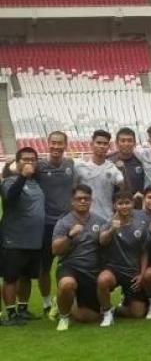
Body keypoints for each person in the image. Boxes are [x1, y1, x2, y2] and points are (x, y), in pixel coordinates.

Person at [51, 184, 106, 331]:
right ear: (72, 201)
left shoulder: (100, 221)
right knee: (67, 284)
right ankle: (63, 317)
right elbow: (55, 250)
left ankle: (64, 301)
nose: (83, 201)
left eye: (86, 199)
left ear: (91, 201)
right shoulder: (63, 222)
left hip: (91, 271)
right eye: (79, 198)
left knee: (88, 318)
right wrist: (69, 235)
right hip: (70, 267)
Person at [1, 147, 45, 325]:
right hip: (14, 239)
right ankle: (10, 314)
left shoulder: (36, 183)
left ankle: (23, 308)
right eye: (25, 159)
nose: (29, 162)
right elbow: (11, 198)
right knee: (11, 277)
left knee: (27, 277)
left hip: (34, 240)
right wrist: (22, 176)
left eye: (32, 159)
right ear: (17, 162)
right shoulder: (9, 181)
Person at [35, 131, 75, 315]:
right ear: (47, 144)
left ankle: (71, 299)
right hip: (46, 224)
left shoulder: (71, 164)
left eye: (60, 143)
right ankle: (45, 303)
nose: (57, 147)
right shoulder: (39, 166)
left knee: (70, 263)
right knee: (45, 265)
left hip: (67, 224)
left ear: (65, 145)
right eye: (53, 143)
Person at [97, 191, 149, 327]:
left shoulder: (140, 224)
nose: (124, 206)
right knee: (102, 280)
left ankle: (115, 309)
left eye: (127, 203)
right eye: (120, 203)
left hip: (132, 272)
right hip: (114, 269)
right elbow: (102, 241)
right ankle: (107, 313)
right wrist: (112, 229)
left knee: (138, 314)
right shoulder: (109, 223)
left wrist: (142, 275)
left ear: (132, 204)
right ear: (115, 205)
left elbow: (144, 252)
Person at [74, 129, 124, 220]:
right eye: (99, 143)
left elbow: (124, 190)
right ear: (91, 144)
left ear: (108, 147)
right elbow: (72, 190)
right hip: (84, 218)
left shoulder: (113, 169)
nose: (101, 146)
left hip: (107, 217)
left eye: (105, 144)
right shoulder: (79, 166)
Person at [107, 127, 145, 200]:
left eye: (130, 141)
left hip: (138, 205)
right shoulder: (109, 162)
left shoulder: (141, 160)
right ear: (117, 143)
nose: (126, 144)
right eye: (123, 141)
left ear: (134, 143)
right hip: (117, 206)